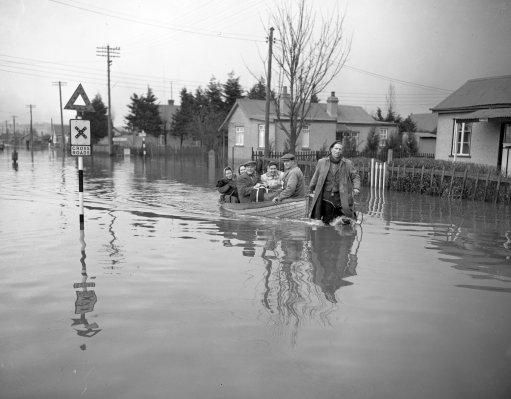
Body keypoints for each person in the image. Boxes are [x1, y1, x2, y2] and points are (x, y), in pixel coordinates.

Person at [308, 140, 360, 224]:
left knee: (345, 219)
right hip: (326, 196)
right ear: (331, 149)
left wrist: (356, 187)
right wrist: (311, 188)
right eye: (336, 148)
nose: (338, 151)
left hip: (341, 195)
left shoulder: (347, 163)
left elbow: (355, 176)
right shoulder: (322, 162)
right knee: (327, 220)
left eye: (340, 149)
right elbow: (315, 176)